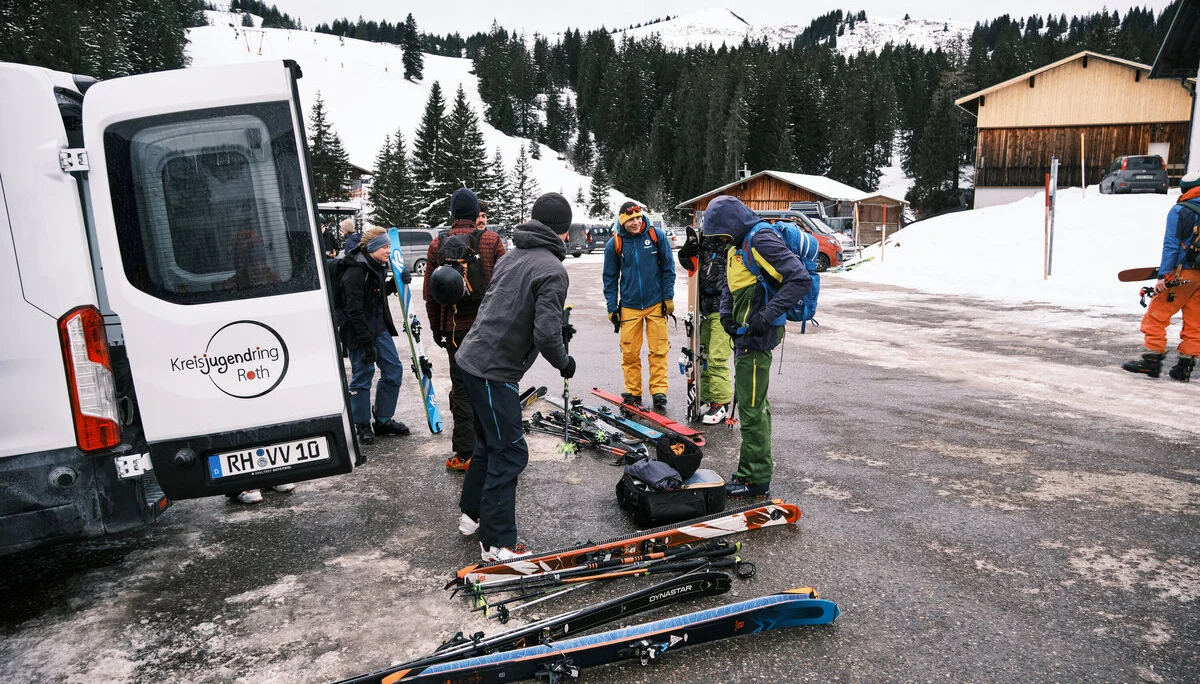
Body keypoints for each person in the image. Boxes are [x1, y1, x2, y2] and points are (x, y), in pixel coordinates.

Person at [454, 192, 575, 561]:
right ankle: (498, 543)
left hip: (472, 360)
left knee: (490, 444)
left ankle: (472, 515)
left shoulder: (514, 255)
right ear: (564, 231)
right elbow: (546, 335)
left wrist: (554, 330)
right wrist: (564, 361)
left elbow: (514, 309)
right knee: (509, 452)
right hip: (494, 371)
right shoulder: (553, 270)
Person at [703, 196, 811, 498]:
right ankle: (754, 470)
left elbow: (799, 279)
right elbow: (730, 284)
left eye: (721, 234)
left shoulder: (760, 239)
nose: (720, 240)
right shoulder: (736, 245)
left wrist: (766, 315)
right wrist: (726, 313)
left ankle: (755, 478)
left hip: (757, 337)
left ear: (732, 224)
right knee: (755, 405)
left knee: (751, 409)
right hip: (743, 335)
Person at [423, 188, 507, 471]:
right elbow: (506, 286)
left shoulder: (437, 244)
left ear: (452, 213)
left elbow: (430, 294)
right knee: (492, 385)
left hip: (455, 330)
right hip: (488, 328)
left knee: (461, 389)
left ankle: (465, 454)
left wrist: (437, 329)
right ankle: (497, 447)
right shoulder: (492, 240)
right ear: (474, 213)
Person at [1122, 171, 1200, 382]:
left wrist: (1164, 276)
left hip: (1181, 274)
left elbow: (1171, 245)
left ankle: (1152, 361)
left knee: (1156, 316)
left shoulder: (1180, 210)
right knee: (1195, 322)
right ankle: (1184, 369)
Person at [339, 225, 411, 444]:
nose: (389, 250)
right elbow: (353, 311)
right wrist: (366, 343)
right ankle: (362, 423)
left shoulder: (377, 265)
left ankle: (382, 419)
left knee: (393, 370)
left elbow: (374, 295)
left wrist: (394, 283)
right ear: (372, 247)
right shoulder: (355, 272)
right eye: (384, 247)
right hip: (358, 332)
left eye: (389, 246)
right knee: (363, 375)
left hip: (379, 328)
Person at [602, 201, 676, 408]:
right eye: (630, 220)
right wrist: (612, 307)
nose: (635, 223)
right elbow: (610, 278)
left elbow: (668, 269)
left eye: (638, 218)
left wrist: (668, 297)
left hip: (655, 303)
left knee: (659, 350)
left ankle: (659, 391)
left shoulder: (656, 236)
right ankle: (633, 392)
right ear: (622, 221)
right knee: (630, 353)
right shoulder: (615, 244)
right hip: (629, 306)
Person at [677, 226, 734, 424]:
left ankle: (721, 402)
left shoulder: (734, 243)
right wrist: (684, 255)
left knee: (717, 357)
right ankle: (706, 396)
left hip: (724, 308)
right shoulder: (704, 239)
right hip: (702, 307)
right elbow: (692, 266)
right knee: (702, 356)